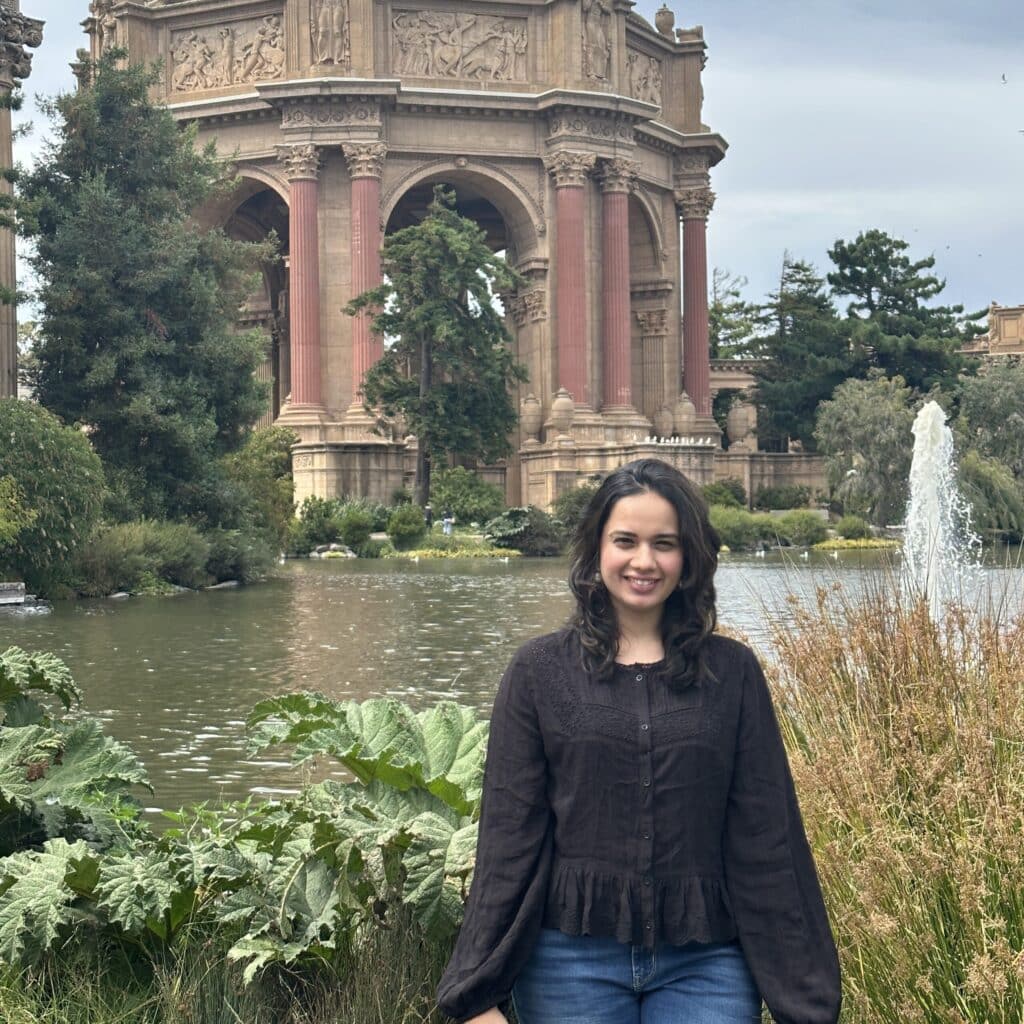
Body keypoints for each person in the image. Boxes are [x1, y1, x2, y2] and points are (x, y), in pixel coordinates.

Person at [437, 458, 841, 1024]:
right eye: (625, 540)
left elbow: (767, 837)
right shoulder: (538, 672)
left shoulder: (734, 673)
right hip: (568, 963)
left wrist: (808, 1004)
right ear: (596, 548)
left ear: (689, 556)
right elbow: (510, 835)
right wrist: (474, 996)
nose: (644, 561)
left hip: (707, 965)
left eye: (664, 543)